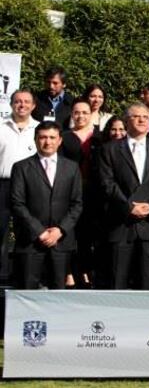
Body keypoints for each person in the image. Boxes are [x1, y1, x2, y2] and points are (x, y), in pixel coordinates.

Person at [98, 104, 149, 289]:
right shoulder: (110, 149)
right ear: (126, 121)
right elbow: (107, 183)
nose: (142, 120)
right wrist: (129, 207)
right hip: (120, 225)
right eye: (136, 117)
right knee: (117, 283)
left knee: (147, 285)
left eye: (145, 117)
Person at [10, 122, 82, 289]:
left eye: (52, 137)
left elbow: (77, 204)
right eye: (43, 137)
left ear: (59, 140)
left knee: (58, 295)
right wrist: (39, 231)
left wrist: (60, 230)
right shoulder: (21, 167)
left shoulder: (71, 168)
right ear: (35, 140)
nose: (47, 142)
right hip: (30, 242)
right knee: (27, 292)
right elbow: (17, 203)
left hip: (61, 242)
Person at [59, 100, 100, 288]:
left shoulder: (99, 137)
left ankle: (86, 271)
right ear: (72, 115)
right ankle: (68, 272)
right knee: (70, 233)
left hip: (94, 192)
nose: (81, 116)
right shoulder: (64, 137)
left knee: (89, 234)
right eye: (77, 112)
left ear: (91, 113)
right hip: (69, 191)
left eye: (85, 112)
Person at [0, 90, 39, 285]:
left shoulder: (39, 129)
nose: (21, 105)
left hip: (31, 187)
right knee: (2, 232)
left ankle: (25, 276)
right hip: (3, 185)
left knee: (28, 231)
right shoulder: (1, 127)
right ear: (11, 104)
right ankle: (2, 276)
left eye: (26, 102)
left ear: (33, 106)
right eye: (17, 101)